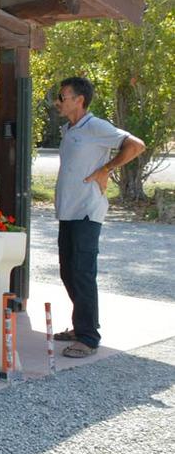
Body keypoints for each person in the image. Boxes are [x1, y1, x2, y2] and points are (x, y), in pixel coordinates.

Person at [52, 76, 145, 358]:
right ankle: (82, 324)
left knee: (82, 273)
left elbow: (136, 145)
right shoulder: (69, 129)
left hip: (87, 211)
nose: (58, 102)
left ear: (79, 100)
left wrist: (106, 169)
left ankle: (88, 338)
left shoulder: (95, 126)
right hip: (68, 211)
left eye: (63, 97)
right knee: (68, 272)